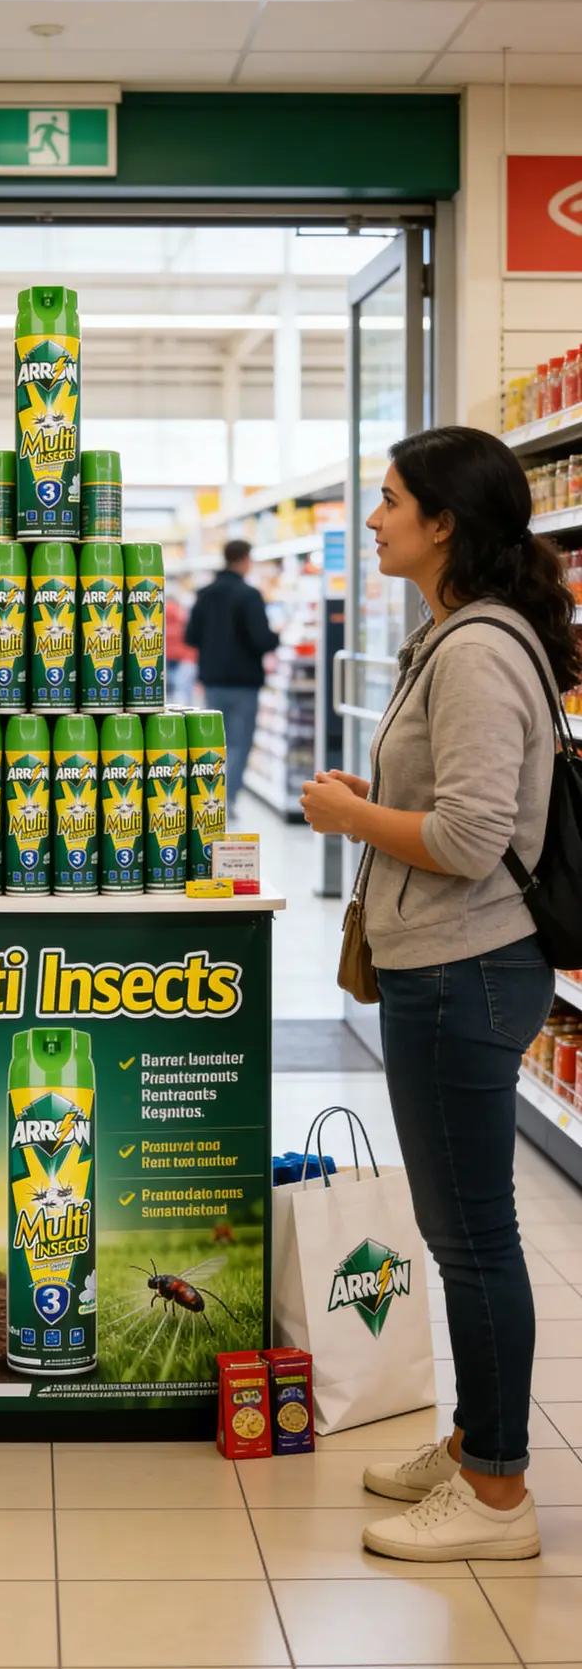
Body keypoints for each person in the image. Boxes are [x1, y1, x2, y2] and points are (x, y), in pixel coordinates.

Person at [300, 424, 577, 1564]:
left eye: (390, 501)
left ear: (444, 522)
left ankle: (500, 1494)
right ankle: (474, 1440)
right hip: (447, 963)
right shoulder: (451, 637)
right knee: (457, 1226)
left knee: (472, 1237)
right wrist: (380, 792)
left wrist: (350, 817)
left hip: (466, 967)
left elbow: (468, 838)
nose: (374, 519)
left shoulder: (471, 650)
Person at [185, 539, 279, 801]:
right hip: (243, 683)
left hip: (213, 681)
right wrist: (276, 637)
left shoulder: (205, 593)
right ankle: (227, 800)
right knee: (239, 743)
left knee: (212, 743)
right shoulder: (249, 595)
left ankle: (208, 796)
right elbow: (262, 639)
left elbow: (191, 636)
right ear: (245, 560)